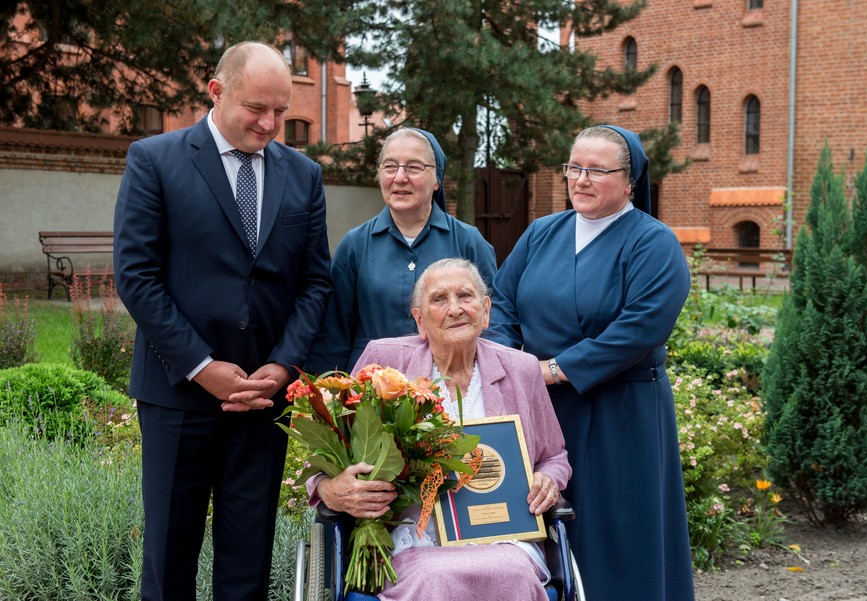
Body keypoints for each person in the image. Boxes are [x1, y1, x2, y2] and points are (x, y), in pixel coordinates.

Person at [113, 41, 332, 600]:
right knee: (169, 559)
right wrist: (201, 366)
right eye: (256, 108)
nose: (270, 124)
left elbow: (314, 283)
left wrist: (283, 366)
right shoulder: (155, 160)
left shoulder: (304, 175)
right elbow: (137, 276)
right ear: (216, 91)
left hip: (262, 400)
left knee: (247, 565)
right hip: (178, 396)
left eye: (280, 111)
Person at [487, 125, 695, 600]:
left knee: (617, 533)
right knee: (544, 525)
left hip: (620, 413)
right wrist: (509, 362)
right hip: (542, 408)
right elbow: (501, 302)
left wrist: (553, 370)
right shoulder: (542, 232)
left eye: (597, 170)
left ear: (629, 181)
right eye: (574, 167)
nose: (580, 179)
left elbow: (639, 328)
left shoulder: (654, 243)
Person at [308, 258, 571, 601]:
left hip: (503, 536)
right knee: (433, 577)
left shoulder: (522, 369)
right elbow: (327, 451)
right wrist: (331, 488)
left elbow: (554, 456)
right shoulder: (384, 362)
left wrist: (548, 479)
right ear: (419, 320)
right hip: (413, 538)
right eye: (439, 299)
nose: (455, 309)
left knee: (512, 571)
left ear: (486, 311)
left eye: (465, 296)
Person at [305, 128, 497, 374]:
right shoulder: (355, 245)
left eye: (414, 167)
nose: (399, 177)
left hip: (448, 384)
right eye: (390, 166)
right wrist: (326, 390)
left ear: (437, 180)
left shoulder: (468, 242)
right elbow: (333, 335)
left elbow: (492, 324)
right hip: (371, 387)